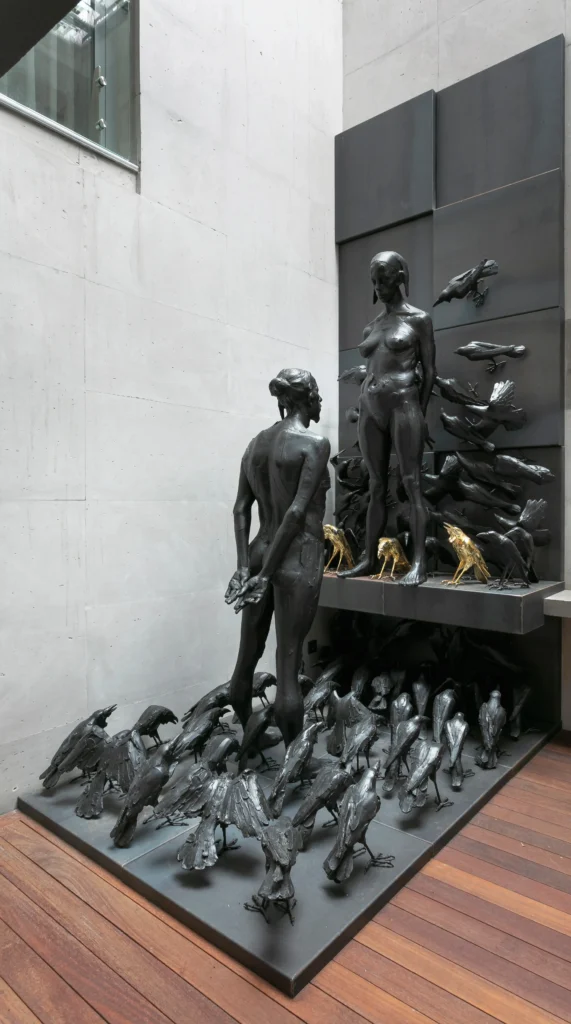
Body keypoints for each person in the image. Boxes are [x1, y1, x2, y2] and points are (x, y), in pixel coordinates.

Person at [225, 369, 330, 747]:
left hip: (258, 550)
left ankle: (249, 737)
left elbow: (240, 509)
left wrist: (245, 568)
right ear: (308, 397)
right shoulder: (314, 443)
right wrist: (268, 575)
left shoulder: (256, 444)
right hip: (298, 555)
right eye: (317, 394)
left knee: (247, 655)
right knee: (287, 663)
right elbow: (296, 513)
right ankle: (293, 760)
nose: (321, 400)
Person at [338, 250, 435, 586]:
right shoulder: (372, 326)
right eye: (374, 281)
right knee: (376, 484)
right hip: (370, 407)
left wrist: (420, 411)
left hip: (403, 403)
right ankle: (368, 558)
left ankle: (419, 563)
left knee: (411, 482)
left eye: (384, 279)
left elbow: (430, 370)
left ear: (400, 278)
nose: (378, 286)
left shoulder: (419, 320)